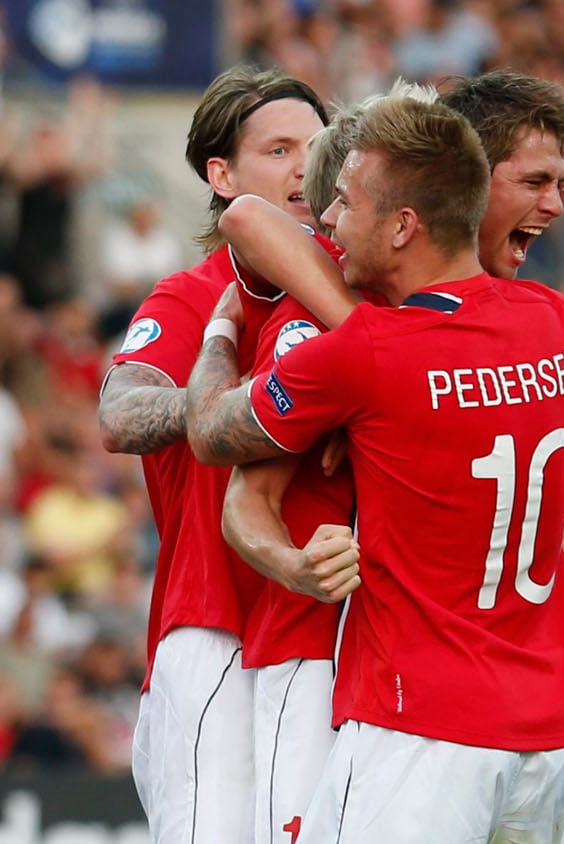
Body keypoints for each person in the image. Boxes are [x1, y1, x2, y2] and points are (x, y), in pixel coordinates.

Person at [207, 71, 564, 842]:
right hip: (382, 686)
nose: (555, 205)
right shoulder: (509, 322)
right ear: (469, 180)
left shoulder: (430, 332)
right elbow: (251, 222)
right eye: (536, 181)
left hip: (434, 717)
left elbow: (506, 498)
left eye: (560, 184)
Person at [95, 65, 327, 843]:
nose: (304, 167)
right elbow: (119, 413)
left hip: (330, 630)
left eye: (317, 147)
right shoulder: (191, 295)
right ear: (222, 176)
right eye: (279, 149)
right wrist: (227, 407)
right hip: (214, 625)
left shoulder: (354, 293)